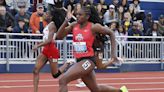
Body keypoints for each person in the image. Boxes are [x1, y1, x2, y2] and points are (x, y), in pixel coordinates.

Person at [56, 6, 128, 92]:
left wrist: (113, 55)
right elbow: (58, 36)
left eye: (80, 14)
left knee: (63, 80)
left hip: (88, 61)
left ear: (87, 17)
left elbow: (111, 33)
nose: (77, 16)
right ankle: (121, 91)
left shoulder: (93, 27)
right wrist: (66, 20)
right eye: (77, 14)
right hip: (79, 61)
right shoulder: (74, 25)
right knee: (95, 89)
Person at [32, 9, 69, 92]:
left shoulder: (52, 25)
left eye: (46, 13)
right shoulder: (48, 25)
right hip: (46, 50)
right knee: (35, 70)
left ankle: (67, 64)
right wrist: (40, 44)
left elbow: (49, 40)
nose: (44, 14)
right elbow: (46, 39)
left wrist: (38, 46)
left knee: (55, 75)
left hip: (51, 50)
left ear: (51, 17)